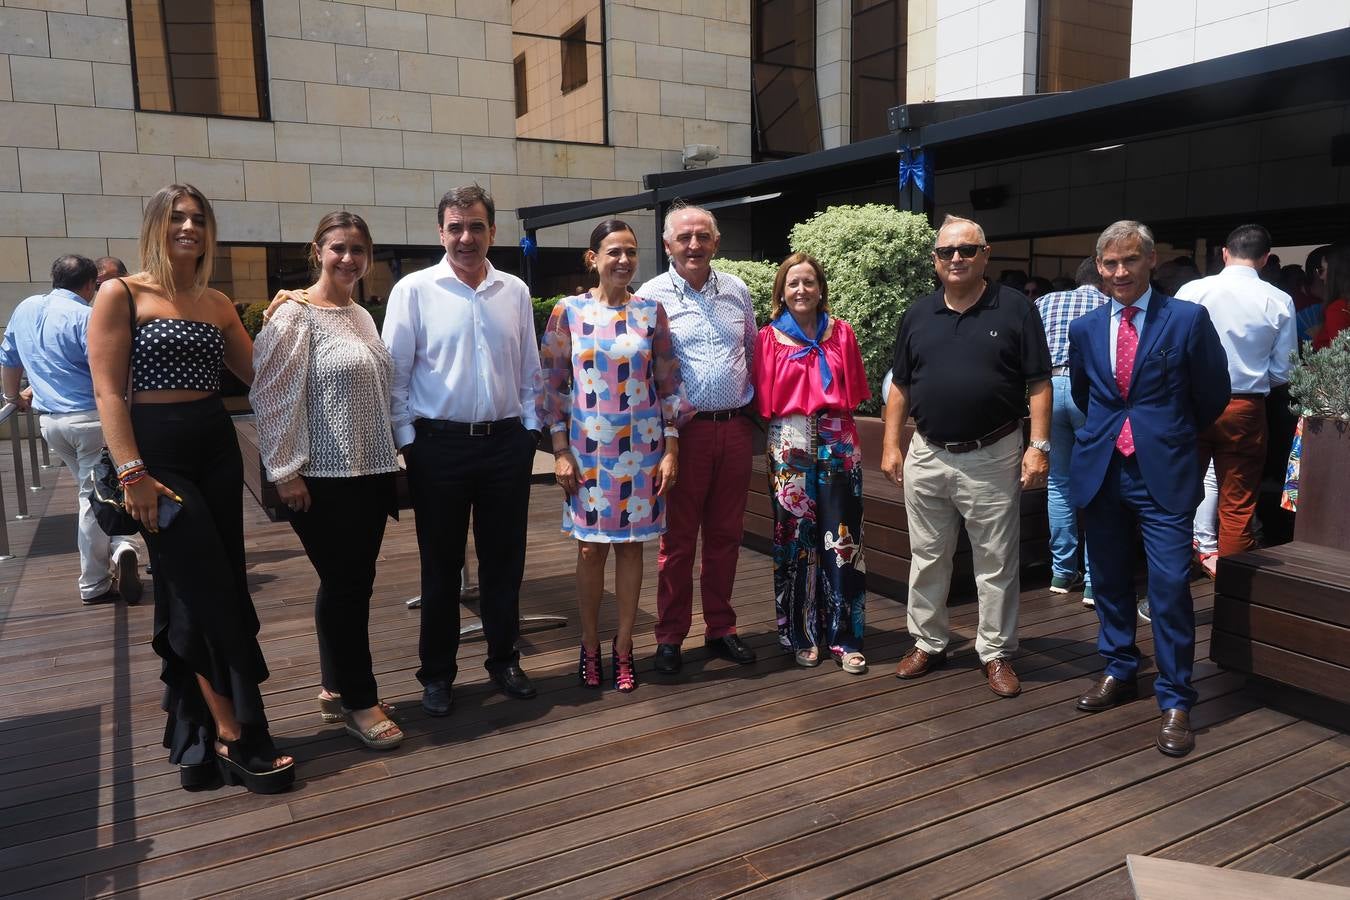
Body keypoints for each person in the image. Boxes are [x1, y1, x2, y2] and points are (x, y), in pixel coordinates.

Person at [87, 183, 293, 793]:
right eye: (177, 218)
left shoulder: (216, 301)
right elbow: (106, 391)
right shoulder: (120, 294)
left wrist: (285, 316)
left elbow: (261, 375)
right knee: (203, 591)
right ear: (156, 225)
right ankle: (234, 731)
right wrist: (132, 474)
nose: (189, 228)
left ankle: (197, 740)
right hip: (156, 456)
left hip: (215, 447)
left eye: (198, 219)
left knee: (213, 582)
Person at [1069, 220, 1229, 758]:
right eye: (1109, 264)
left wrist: (1166, 433)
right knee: (1109, 578)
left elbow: (1212, 393)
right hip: (1103, 468)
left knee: (1167, 587)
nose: (1119, 272)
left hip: (1163, 470)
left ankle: (1177, 697)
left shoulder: (1186, 318)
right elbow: (1090, 394)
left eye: (1129, 261)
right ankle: (1119, 669)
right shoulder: (1087, 327)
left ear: (1150, 260)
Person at [383, 184, 543, 716]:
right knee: (440, 567)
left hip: (505, 446)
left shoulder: (515, 291)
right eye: (456, 227)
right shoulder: (414, 290)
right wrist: (409, 443)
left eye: (476, 226)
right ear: (441, 232)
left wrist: (529, 434)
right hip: (438, 447)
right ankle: (437, 674)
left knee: (505, 562)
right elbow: (395, 376)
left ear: (492, 231)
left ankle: (504, 660)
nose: (466, 237)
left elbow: (529, 371)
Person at [882, 215, 1052, 698]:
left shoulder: (1015, 309)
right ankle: (928, 640)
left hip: (992, 453)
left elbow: (1039, 382)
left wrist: (1038, 447)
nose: (956, 258)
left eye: (967, 250)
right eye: (946, 252)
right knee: (927, 556)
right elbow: (900, 386)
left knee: (995, 560)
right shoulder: (917, 314)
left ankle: (995, 650)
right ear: (935, 260)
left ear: (986, 254)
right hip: (928, 453)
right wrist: (892, 444)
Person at [251, 211, 403, 751]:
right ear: (317, 250)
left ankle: (334, 687)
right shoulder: (295, 314)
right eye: (338, 247)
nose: (348, 258)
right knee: (346, 587)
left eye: (358, 249)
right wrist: (285, 469)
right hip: (318, 478)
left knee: (347, 585)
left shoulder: (361, 314)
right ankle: (362, 701)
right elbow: (270, 395)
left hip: (369, 472)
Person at [539, 219, 691, 693]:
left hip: (642, 452)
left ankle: (624, 647)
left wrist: (671, 449)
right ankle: (589, 644)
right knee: (589, 549)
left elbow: (668, 385)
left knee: (630, 548)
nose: (623, 260)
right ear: (593, 258)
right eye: (612, 252)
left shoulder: (652, 313)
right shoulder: (569, 312)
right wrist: (559, 451)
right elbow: (551, 387)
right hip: (586, 454)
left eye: (630, 251)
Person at [634, 204, 759, 675]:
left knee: (726, 536)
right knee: (679, 542)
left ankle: (721, 628)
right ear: (667, 244)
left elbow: (749, 350)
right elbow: (644, 371)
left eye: (702, 236)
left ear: (715, 241)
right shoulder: (650, 296)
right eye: (684, 237)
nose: (693, 245)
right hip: (681, 437)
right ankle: (669, 635)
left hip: (734, 430)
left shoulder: (736, 290)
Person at [1, 255, 142, 606]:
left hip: (49, 422)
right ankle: (100, 573)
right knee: (95, 494)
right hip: (92, 419)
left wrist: (12, 396)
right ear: (91, 283)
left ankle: (119, 547)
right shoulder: (87, 317)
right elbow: (109, 372)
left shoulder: (25, 308)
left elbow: (9, 359)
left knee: (92, 488)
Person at [754, 253, 871, 672]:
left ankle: (844, 635)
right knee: (796, 537)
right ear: (781, 293)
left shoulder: (842, 333)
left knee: (843, 537)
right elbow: (763, 402)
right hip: (789, 440)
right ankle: (800, 632)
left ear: (821, 288)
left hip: (838, 438)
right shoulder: (768, 338)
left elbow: (855, 389)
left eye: (808, 282)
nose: (800, 290)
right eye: (792, 284)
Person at [1175, 224, 1296, 561]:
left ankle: (1168, 594)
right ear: (1265, 258)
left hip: (1193, 404)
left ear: (1224, 254)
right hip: (1246, 406)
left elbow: (1171, 352)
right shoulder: (1279, 300)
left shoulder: (1191, 291)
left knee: (1178, 500)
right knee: (1238, 506)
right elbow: (1284, 370)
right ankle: (1234, 598)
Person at [1034, 256, 1109, 606]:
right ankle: (1096, 579)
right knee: (1098, 483)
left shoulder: (1044, 301)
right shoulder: (1110, 303)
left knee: (1058, 482)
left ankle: (1062, 571)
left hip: (1046, 391)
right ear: (1104, 278)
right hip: (1088, 393)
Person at [1312, 241, 1350, 350]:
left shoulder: (1338, 308)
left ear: (1336, 273)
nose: (1321, 276)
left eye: (1322, 270)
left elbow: (1340, 356)